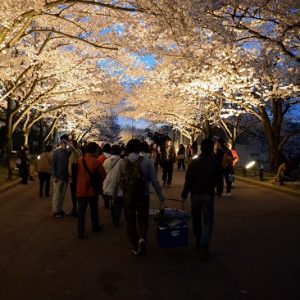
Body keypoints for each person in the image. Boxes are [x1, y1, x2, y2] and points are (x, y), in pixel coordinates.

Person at [112, 139, 165, 255]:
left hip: (128, 197)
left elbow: (115, 181)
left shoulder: (122, 162)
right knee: (143, 219)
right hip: (143, 196)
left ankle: (135, 246)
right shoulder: (147, 162)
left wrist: (114, 195)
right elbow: (154, 180)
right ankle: (142, 238)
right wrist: (160, 196)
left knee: (130, 221)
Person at [181, 138, 222, 258]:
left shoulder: (195, 162)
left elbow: (188, 179)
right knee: (208, 220)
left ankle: (198, 239)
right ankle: (204, 244)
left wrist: (184, 193)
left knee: (196, 218)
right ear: (211, 149)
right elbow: (219, 178)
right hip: (208, 194)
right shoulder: (214, 162)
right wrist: (219, 190)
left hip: (195, 194)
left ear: (201, 148)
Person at [76, 142, 106, 239]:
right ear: (94, 150)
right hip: (92, 190)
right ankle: (95, 226)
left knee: (81, 212)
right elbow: (103, 175)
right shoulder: (96, 162)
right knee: (94, 210)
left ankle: (80, 231)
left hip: (80, 189)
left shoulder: (80, 160)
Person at [102, 144, 123, 227]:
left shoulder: (106, 161)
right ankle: (116, 218)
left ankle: (114, 218)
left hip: (108, 184)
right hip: (119, 185)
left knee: (112, 203)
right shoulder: (122, 161)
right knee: (119, 202)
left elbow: (103, 172)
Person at [51, 134, 70, 218]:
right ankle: (55, 211)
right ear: (60, 141)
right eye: (63, 141)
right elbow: (53, 165)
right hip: (57, 177)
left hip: (65, 177)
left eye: (65, 141)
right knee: (57, 194)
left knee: (62, 195)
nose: (64, 143)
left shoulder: (68, 152)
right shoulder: (56, 152)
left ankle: (60, 209)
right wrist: (54, 176)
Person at [68, 139, 82, 217]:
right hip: (73, 175)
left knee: (75, 193)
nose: (69, 145)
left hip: (74, 175)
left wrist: (70, 145)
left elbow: (74, 150)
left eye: (71, 144)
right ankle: (75, 209)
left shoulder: (76, 152)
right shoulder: (74, 152)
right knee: (74, 194)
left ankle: (76, 210)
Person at [98, 143, 112, 208]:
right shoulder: (112, 157)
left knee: (104, 189)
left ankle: (106, 203)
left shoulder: (101, 157)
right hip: (111, 176)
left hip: (103, 177)